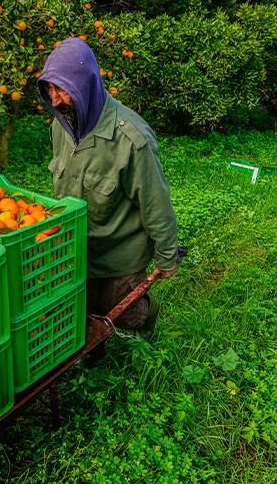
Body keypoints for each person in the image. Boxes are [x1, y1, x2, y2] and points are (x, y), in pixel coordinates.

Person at [38, 37, 179, 336]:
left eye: (62, 90)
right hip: (76, 251)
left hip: (119, 257)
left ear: (85, 86)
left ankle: (145, 313)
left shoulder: (131, 139)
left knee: (126, 318)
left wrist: (167, 256)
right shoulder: (59, 128)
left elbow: (155, 201)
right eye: (49, 90)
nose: (55, 100)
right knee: (82, 319)